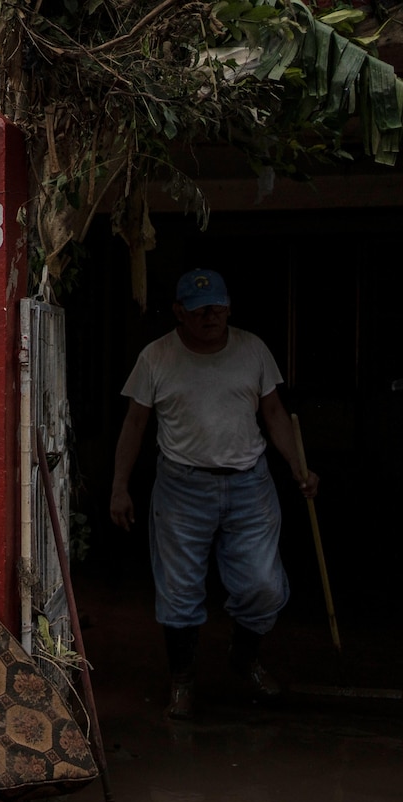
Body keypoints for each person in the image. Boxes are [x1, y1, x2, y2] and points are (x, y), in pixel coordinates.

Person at [109, 269, 318, 720]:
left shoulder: (252, 349)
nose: (211, 316)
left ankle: (243, 659)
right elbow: (134, 424)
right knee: (180, 590)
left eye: (218, 307)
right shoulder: (156, 357)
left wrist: (299, 467)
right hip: (182, 488)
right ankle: (183, 681)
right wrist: (119, 487)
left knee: (263, 585)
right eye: (200, 308)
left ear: (229, 307)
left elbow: (275, 411)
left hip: (249, 483)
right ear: (180, 312)